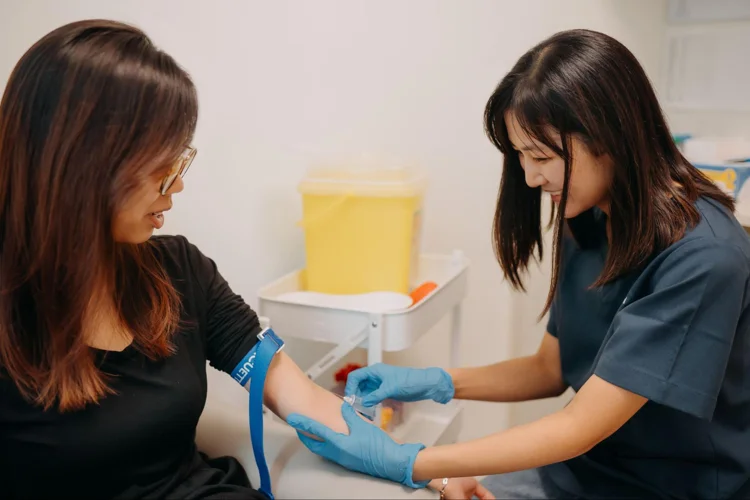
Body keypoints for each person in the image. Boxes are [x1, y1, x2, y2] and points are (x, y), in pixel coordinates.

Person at [0, 19, 490, 500]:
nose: (178, 184)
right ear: (85, 163)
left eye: (179, 161)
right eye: (160, 166)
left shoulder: (178, 273)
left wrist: (429, 469)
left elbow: (301, 399)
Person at [285, 28, 750, 499]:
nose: (529, 177)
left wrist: (416, 463)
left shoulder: (704, 259)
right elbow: (550, 369)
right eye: (522, 156)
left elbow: (580, 424)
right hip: (581, 473)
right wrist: (438, 383)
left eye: (541, 156)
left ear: (610, 136)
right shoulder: (589, 219)